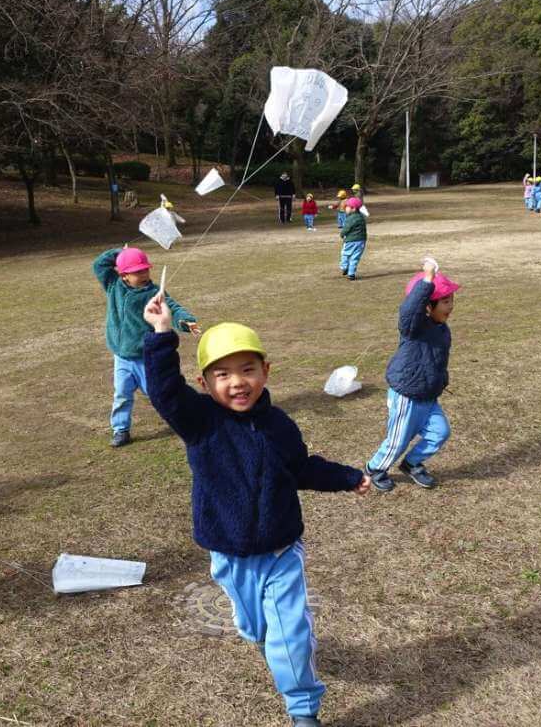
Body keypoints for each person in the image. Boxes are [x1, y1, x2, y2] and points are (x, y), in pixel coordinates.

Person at [141, 312, 370, 727]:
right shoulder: (200, 422)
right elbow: (164, 392)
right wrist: (161, 334)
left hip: (281, 549)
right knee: (253, 626)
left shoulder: (279, 425)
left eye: (248, 370)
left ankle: (303, 709)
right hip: (227, 552)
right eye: (222, 374)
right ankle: (264, 639)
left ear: (266, 371)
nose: (237, 382)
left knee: (289, 633)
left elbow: (302, 468)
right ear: (204, 384)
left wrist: (347, 477)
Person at [365, 258, 460, 492]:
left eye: (452, 301)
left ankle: (412, 463)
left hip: (429, 395)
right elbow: (409, 310)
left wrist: (441, 379)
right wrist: (427, 279)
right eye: (445, 301)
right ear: (427, 306)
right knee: (398, 439)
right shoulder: (414, 327)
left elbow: (438, 360)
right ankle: (376, 467)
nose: (450, 306)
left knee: (440, 432)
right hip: (407, 395)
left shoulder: (442, 329)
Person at [92, 246, 199, 447]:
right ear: (123, 275)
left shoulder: (153, 292)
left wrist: (185, 321)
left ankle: (182, 419)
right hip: (122, 357)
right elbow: (98, 264)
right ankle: (120, 429)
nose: (143, 274)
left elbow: (172, 308)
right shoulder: (113, 285)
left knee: (158, 393)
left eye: (145, 270)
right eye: (137, 271)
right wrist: (120, 253)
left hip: (145, 357)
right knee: (122, 393)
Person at [339, 197, 366, 280]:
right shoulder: (361, 217)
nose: (345, 208)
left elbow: (346, 229)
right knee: (355, 257)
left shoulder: (350, 218)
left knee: (345, 254)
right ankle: (351, 274)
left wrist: (342, 234)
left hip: (351, 240)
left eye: (347, 207)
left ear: (353, 208)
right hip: (361, 241)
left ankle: (344, 267)